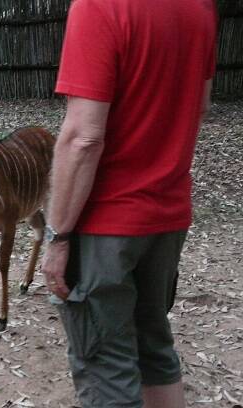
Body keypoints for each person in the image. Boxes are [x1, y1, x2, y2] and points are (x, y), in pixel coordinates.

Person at [42, 0, 217, 407]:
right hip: (168, 216)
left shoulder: (98, 6)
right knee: (154, 350)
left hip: (106, 224)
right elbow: (201, 106)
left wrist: (59, 236)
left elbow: (83, 138)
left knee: (104, 365)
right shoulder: (201, 7)